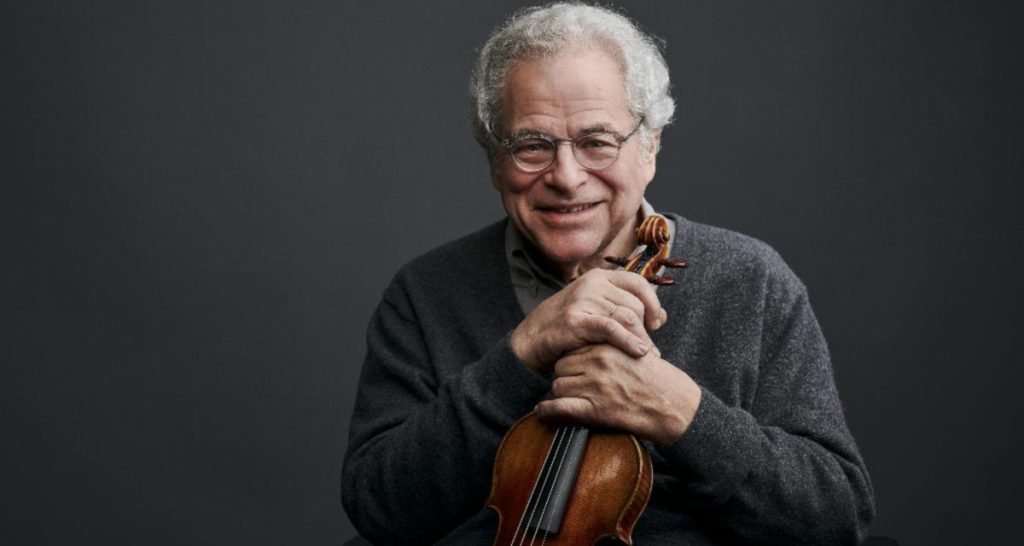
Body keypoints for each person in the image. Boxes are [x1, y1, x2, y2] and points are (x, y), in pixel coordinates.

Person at [342, 3, 874, 544]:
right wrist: (522, 354)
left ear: (650, 146)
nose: (567, 178)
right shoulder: (426, 293)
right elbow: (379, 511)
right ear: (494, 159)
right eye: (532, 145)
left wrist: (682, 414)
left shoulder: (752, 281)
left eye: (597, 142)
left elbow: (835, 517)